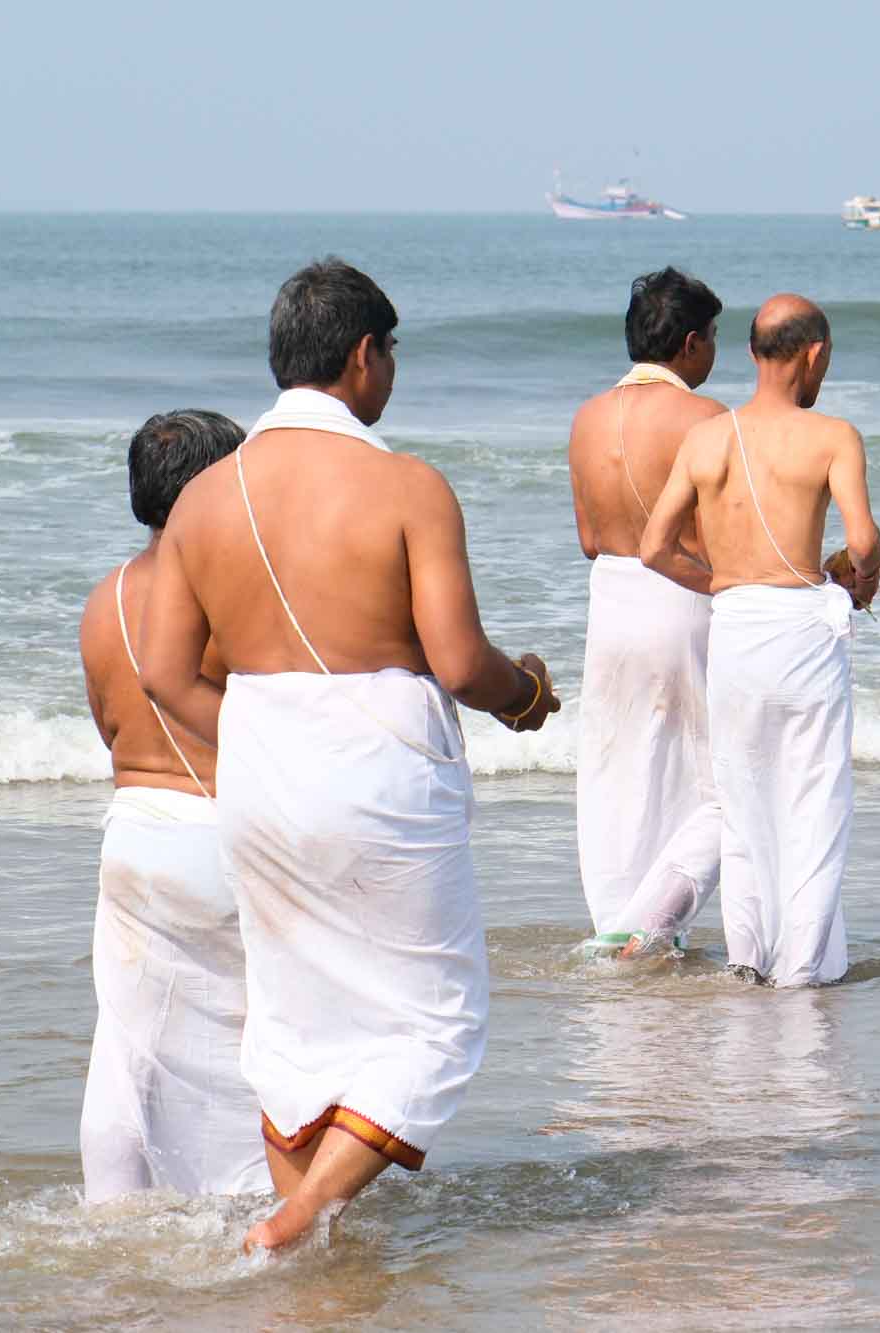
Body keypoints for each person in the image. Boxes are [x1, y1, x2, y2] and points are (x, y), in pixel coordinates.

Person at [140, 258, 560, 1251]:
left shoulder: (201, 501)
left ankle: (301, 1257)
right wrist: (528, 695)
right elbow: (459, 661)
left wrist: (263, 741)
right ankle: (301, 1216)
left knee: (296, 1019)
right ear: (364, 356)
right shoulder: (407, 486)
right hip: (380, 772)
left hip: (257, 768)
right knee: (436, 1018)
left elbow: (164, 673)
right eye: (392, 352)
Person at [638, 294, 880, 987]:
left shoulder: (706, 440)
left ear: (751, 353)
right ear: (814, 354)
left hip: (736, 630)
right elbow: (862, 542)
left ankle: (747, 960)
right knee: (814, 803)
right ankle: (801, 970)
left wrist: (721, 582)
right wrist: (864, 574)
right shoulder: (833, 436)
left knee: (744, 807)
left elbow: (654, 547)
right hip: (803, 634)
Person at [75, 408, 268, 1204]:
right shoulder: (233, 595)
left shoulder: (105, 599)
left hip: (134, 836)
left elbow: (111, 727)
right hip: (221, 836)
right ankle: (255, 1202)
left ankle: (114, 1206)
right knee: (259, 1036)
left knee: (127, 1049)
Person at [566, 268, 727, 958]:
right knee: (721, 782)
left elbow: (588, 539)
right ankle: (649, 926)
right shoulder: (706, 417)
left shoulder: (586, 418)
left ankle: (619, 924)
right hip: (685, 596)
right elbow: (728, 535)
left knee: (621, 779)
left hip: (611, 601)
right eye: (713, 335)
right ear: (690, 343)